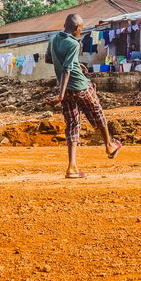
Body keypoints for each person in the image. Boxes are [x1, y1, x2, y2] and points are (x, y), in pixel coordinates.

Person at [47, 13, 122, 179]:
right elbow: (67, 69)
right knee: (97, 112)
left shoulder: (53, 40)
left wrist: (74, 66)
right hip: (79, 86)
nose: (81, 31)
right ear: (76, 28)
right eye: (80, 28)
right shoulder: (73, 42)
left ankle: (72, 167)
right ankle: (109, 145)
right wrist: (59, 95)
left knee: (72, 125)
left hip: (66, 90)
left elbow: (49, 59)